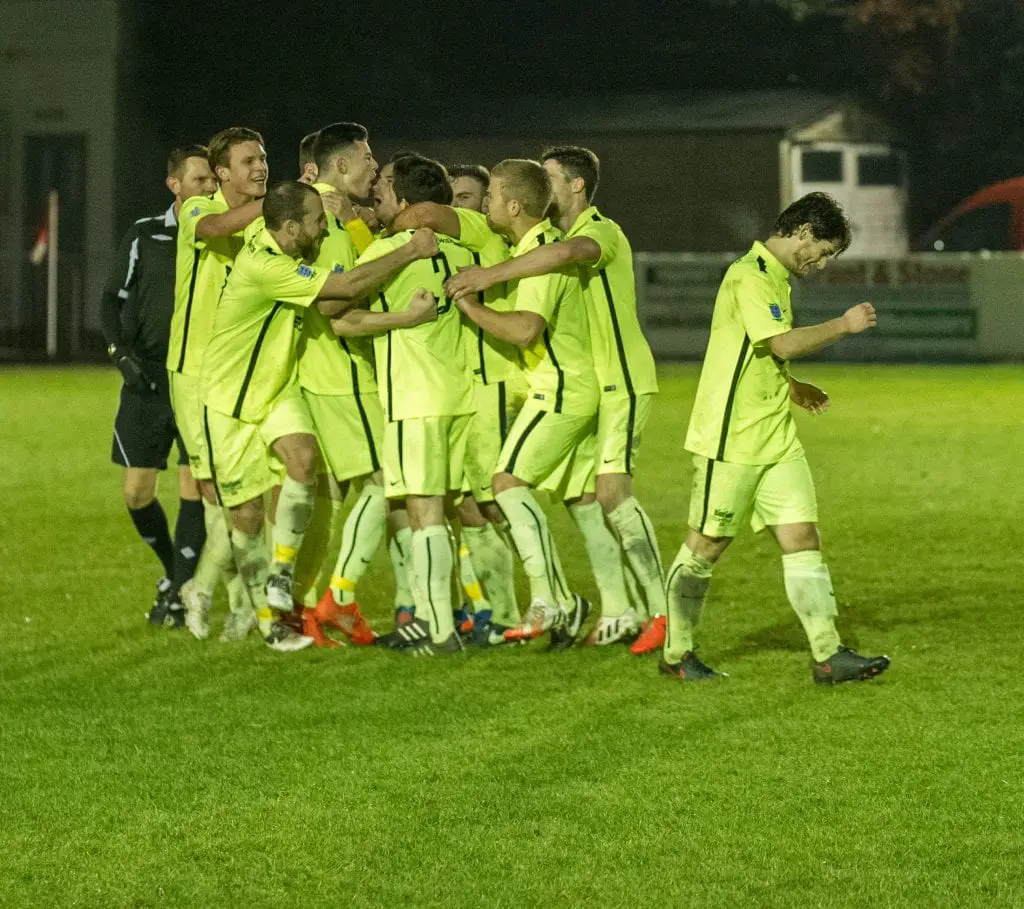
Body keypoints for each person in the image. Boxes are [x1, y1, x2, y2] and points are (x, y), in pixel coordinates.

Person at [196, 181, 439, 651]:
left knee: (304, 461)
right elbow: (343, 289)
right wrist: (411, 249)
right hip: (230, 402)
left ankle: (280, 578)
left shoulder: (281, 252)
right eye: (315, 221)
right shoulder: (265, 266)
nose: (322, 228)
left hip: (276, 389)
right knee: (246, 518)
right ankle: (269, 624)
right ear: (290, 228)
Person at [659, 192, 891, 683]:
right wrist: (842, 326)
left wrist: (790, 386)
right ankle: (677, 653)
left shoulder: (774, 278)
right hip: (733, 438)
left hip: (774, 433)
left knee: (802, 536)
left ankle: (828, 655)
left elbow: (754, 355)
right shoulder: (749, 275)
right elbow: (780, 341)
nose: (823, 264)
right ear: (803, 232)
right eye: (823, 251)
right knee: (706, 546)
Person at [445, 145, 664, 652]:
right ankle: (620, 608)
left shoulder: (597, 233)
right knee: (584, 498)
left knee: (604, 493)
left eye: (549, 179)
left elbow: (562, 264)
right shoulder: (550, 243)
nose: (542, 188)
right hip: (592, 380)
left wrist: (484, 282)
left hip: (619, 378)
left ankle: (658, 608)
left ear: (576, 185)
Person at [453, 159, 597, 649]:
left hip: (562, 387)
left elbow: (524, 328)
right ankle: (567, 602)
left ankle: (549, 598)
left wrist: (470, 305)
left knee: (506, 484)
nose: (488, 201)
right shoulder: (530, 249)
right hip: (558, 384)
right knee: (562, 495)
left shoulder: (541, 251)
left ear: (514, 206)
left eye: (491, 194)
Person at [336, 154, 476, 655]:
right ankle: (460, 617)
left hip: (415, 399)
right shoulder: (466, 249)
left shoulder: (392, 250)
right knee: (452, 512)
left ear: (401, 195)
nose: (377, 195)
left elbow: (339, 318)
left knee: (424, 513)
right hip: (462, 397)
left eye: (383, 189)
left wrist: (398, 318)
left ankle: (438, 631)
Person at [100, 145, 216, 626]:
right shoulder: (146, 235)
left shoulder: (220, 236)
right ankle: (174, 572)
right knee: (137, 493)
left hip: (198, 378)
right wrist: (120, 352)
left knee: (194, 487)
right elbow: (112, 299)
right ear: (175, 185)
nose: (207, 188)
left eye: (212, 180)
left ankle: (180, 590)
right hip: (147, 379)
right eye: (198, 181)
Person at [292, 122, 386, 646]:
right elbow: (333, 305)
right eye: (368, 157)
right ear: (342, 164)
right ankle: (340, 599)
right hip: (342, 373)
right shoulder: (325, 215)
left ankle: (296, 607)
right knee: (388, 483)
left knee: (324, 504)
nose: (375, 165)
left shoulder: (332, 213)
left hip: (319, 373)